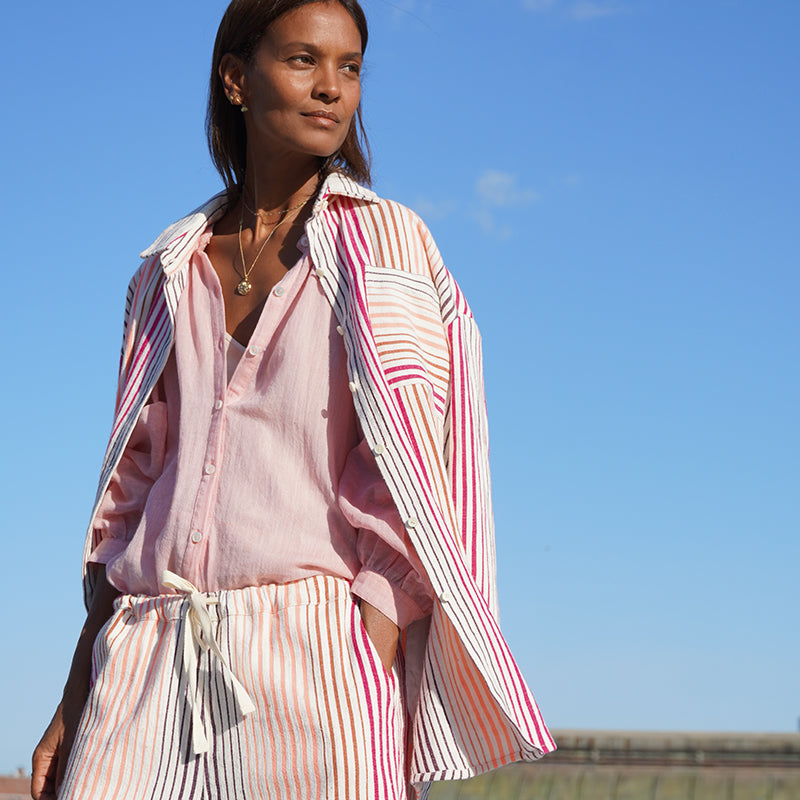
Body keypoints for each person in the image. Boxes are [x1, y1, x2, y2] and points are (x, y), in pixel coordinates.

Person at [31, 1, 555, 798]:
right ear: (237, 78)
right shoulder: (163, 272)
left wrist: (363, 643)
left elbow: (417, 459)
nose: (332, 90)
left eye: (349, 69)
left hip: (318, 655)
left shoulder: (388, 245)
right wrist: (77, 690)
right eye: (304, 60)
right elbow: (129, 493)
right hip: (145, 653)